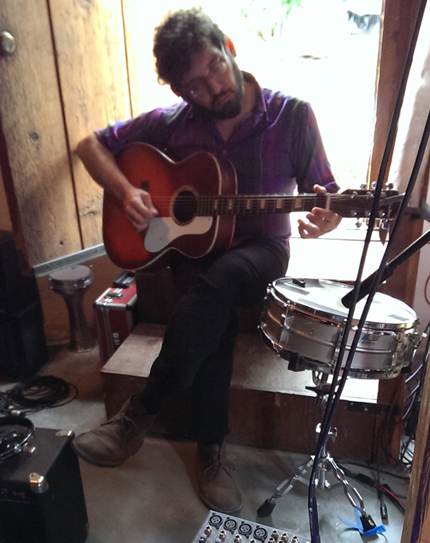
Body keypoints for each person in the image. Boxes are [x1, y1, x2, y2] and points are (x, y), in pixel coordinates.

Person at [72, 8, 341, 514]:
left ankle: (140, 412)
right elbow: (90, 146)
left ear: (230, 48)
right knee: (212, 316)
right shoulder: (173, 125)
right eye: (194, 85)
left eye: (215, 66)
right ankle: (211, 452)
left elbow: (324, 192)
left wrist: (325, 218)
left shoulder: (292, 115)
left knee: (223, 279)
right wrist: (126, 190)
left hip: (262, 250)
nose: (213, 88)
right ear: (181, 92)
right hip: (193, 248)